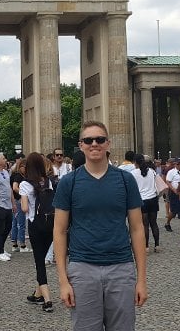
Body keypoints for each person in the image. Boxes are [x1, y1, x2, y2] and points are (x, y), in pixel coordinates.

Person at [54, 120, 147, 330]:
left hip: (121, 267)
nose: (94, 144)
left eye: (100, 139)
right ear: (81, 145)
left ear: (108, 143)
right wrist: (63, 281)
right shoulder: (69, 182)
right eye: (88, 140)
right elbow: (59, 231)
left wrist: (141, 279)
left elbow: (137, 228)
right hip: (82, 268)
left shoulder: (126, 180)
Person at [19, 152, 56, 313]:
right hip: (50, 224)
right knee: (42, 256)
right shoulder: (48, 181)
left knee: (39, 261)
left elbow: (25, 208)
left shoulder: (25, 184)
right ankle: (37, 294)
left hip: (35, 224)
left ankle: (47, 299)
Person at [131, 155, 161, 253]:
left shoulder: (134, 173)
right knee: (154, 223)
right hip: (153, 199)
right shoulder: (152, 171)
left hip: (142, 200)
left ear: (135, 162)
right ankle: (157, 245)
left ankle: (146, 246)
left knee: (145, 225)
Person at [10, 155, 30, 253]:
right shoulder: (18, 176)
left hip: (16, 200)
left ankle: (14, 244)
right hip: (19, 200)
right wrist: (23, 194)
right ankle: (22, 244)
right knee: (21, 223)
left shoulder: (16, 175)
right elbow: (14, 187)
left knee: (15, 222)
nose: (26, 169)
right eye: (25, 167)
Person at [164, 159, 180, 232]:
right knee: (174, 211)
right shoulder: (171, 172)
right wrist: (174, 190)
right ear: (176, 164)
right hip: (174, 192)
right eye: (179, 164)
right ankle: (167, 223)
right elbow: (168, 182)